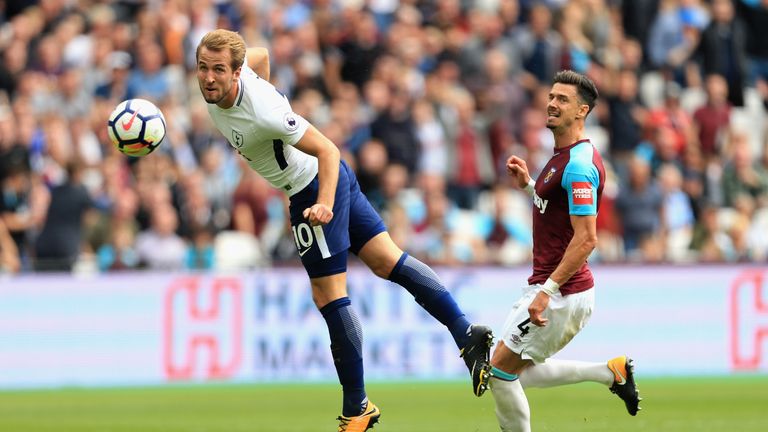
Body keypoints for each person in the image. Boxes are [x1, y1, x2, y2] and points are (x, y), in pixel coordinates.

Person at [195, 29, 493, 431]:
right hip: (323, 182)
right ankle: (465, 332)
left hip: (314, 188)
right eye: (202, 68)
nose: (208, 78)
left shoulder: (261, 110)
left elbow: (328, 150)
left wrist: (325, 205)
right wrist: (264, 82)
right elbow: (260, 54)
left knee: (328, 294)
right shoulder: (231, 82)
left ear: (234, 74)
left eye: (218, 71)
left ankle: (357, 409)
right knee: (388, 260)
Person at [489, 70, 642, 432]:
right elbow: (555, 209)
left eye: (563, 100)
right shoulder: (561, 156)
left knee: (497, 372)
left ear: (582, 111)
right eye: (552, 96)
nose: (552, 104)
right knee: (513, 374)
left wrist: (546, 292)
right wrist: (529, 186)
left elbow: (587, 239)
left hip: (563, 291)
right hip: (553, 286)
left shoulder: (579, 164)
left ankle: (610, 374)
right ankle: (611, 373)